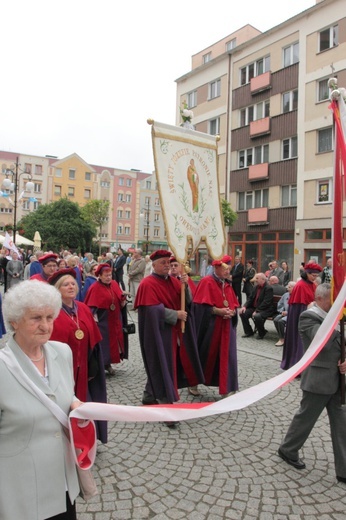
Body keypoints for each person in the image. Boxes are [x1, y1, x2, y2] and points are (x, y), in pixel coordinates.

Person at [0, 280, 81, 519]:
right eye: (36, 318)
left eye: (49, 317)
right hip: (19, 491)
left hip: (63, 483)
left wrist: (75, 405)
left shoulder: (62, 352)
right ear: (14, 321)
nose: (45, 326)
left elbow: (63, 394)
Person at [278, 283, 346, 484]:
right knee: (305, 419)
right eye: (331, 301)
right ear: (319, 300)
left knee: (342, 424)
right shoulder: (308, 317)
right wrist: (337, 321)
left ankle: (343, 469)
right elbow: (322, 341)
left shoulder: (337, 318)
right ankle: (288, 450)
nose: (335, 304)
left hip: (339, 380)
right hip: (318, 379)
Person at [134, 250, 204, 416]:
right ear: (154, 265)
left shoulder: (174, 281)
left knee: (166, 364)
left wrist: (185, 286)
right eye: (163, 263)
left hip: (173, 333)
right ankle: (166, 404)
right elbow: (151, 310)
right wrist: (174, 315)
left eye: (168, 262)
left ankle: (149, 395)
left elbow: (187, 302)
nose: (166, 266)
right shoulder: (147, 284)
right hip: (157, 333)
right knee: (161, 363)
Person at [49, 268, 107, 443]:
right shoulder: (51, 312)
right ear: (57, 289)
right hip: (62, 370)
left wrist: (94, 364)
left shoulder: (82, 308)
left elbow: (94, 339)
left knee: (85, 404)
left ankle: (85, 439)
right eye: (65, 284)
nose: (70, 287)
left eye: (73, 283)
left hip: (85, 368)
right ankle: (65, 440)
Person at [192, 256, 239, 397]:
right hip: (210, 328)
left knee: (226, 357)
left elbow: (233, 303)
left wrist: (232, 311)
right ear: (216, 268)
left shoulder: (227, 284)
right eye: (225, 269)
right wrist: (217, 311)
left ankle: (226, 387)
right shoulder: (207, 282)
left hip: (225, 328)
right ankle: (193, 383)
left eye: (229, 269)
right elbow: (199, 307)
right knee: (204, 354)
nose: (227, 272)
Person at [84, 263, 128, 376]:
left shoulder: (114, 284)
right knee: (104, 344)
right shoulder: (95, 288)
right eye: (106, 275)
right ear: (100, 275)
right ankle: (101, 365)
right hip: (103, 321)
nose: (109, 277)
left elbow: (119, 298)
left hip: (115, 320)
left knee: (114, 343)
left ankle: (108, 364)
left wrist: (123, 300)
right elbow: (91, 307)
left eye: (110, 275)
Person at [281, 262, 322, 371]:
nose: (315, 278)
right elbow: (299, 306)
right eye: (313, 275)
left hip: (311, 314)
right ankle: (296, 365)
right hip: (300, 316)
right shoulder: (300, 286)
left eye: (317, 276)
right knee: (299, 340)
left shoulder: (313, 285)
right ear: (307, 273)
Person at [239, 272, 274, 339]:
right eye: (255, 278)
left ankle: (262, 332)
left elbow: (266, 302)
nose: (255, 280)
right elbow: (250, 298)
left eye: (257, 278)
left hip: (265, 309)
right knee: (243, 313)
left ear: (263, 279)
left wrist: (257, 310)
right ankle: (249, 331)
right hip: (255, 308)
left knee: (257, 316)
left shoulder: (268, 288)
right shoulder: (255, 287)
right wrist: (244, 306)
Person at [273, 281, 296, 346]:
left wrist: (288, 312)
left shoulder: (297, 296)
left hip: (293, 315)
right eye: (287, 287)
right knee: (276, 319)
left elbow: (296, 308)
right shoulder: (285, 295)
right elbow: (280, 304)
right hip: (284, 313)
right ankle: (281, 336)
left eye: (289, 287)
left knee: (281, 321)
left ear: (294, 288)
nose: (287, 289)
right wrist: (282, 311)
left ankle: (282, 339)